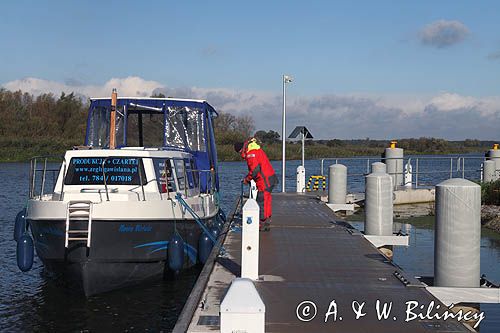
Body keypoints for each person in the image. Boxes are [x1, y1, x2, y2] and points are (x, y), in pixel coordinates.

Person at [234, 138, 278, 230]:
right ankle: (266, 221)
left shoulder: (251, 154)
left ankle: (261, 223)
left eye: (239, 153)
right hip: (270, 178)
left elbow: (254, 170)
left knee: (261, 201)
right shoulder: (255, 149)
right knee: (266, 200)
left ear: (241, 150)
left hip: (264, 181)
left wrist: (247, 179)